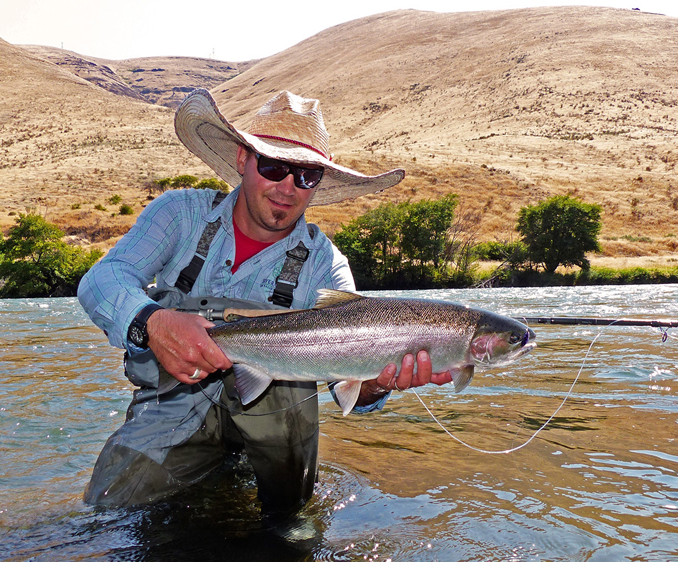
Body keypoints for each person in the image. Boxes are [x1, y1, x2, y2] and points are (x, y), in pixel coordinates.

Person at [77, 88, 452, 514]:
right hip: (171, 408)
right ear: (242, 160)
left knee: (289, 532)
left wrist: (381, 379)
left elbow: (350, 390)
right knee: (107, 511)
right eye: (274, 166)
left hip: (278, 432)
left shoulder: (325, 266)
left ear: (317, 185)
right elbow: (103, 279)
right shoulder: (180, 213)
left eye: (306, 176)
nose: (288, 188)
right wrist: (153, 321)